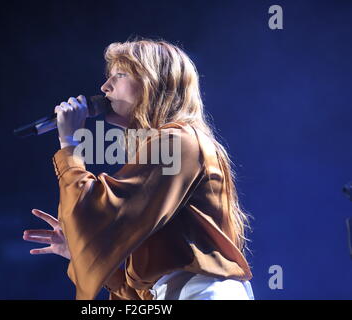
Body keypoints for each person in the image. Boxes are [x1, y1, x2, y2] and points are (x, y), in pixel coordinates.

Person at [22, 38, 254, 300]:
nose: (105, 87)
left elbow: (102, 210)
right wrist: (80, 248)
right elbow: (141, 292)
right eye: (108, 77)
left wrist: (70, 145)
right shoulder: (167, 146)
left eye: (119, 75)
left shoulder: (180, 142)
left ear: (154, 84)